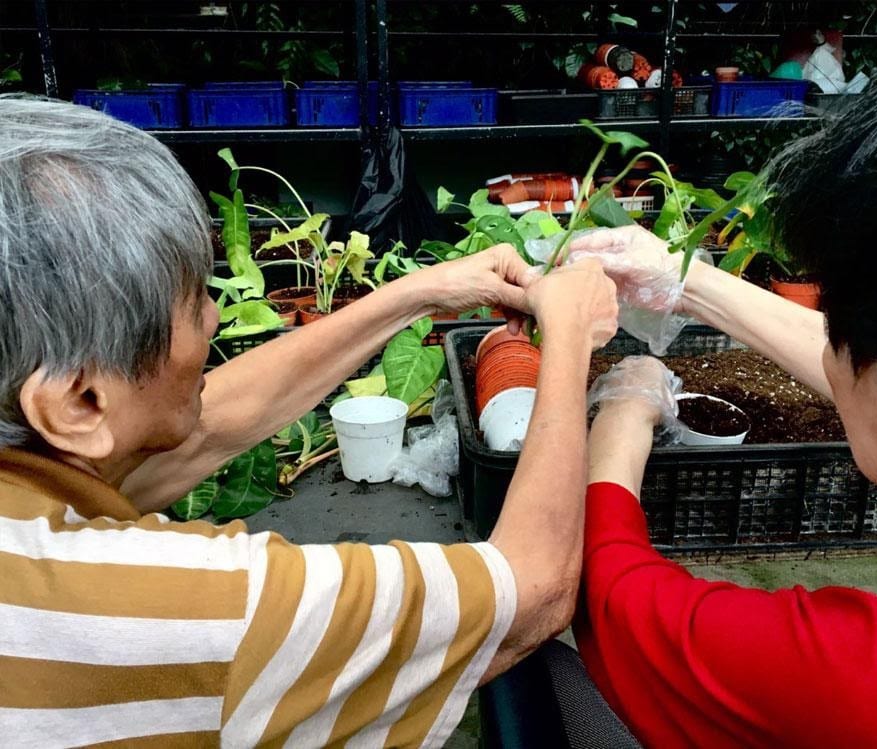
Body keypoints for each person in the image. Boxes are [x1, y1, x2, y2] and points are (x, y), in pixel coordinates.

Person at [0, 95, 619, 746]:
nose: (214, 319)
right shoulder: (195, 615)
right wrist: (570, 334)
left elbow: (213, 421)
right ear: (78, 403)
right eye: (191, 301)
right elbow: (532, 590)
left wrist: (420, 292)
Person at [569, 31, 877, 747]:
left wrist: (624, 411)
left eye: (834, 319)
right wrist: (690, 283)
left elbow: (613, 601)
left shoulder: (858, 684)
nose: (828, 340)